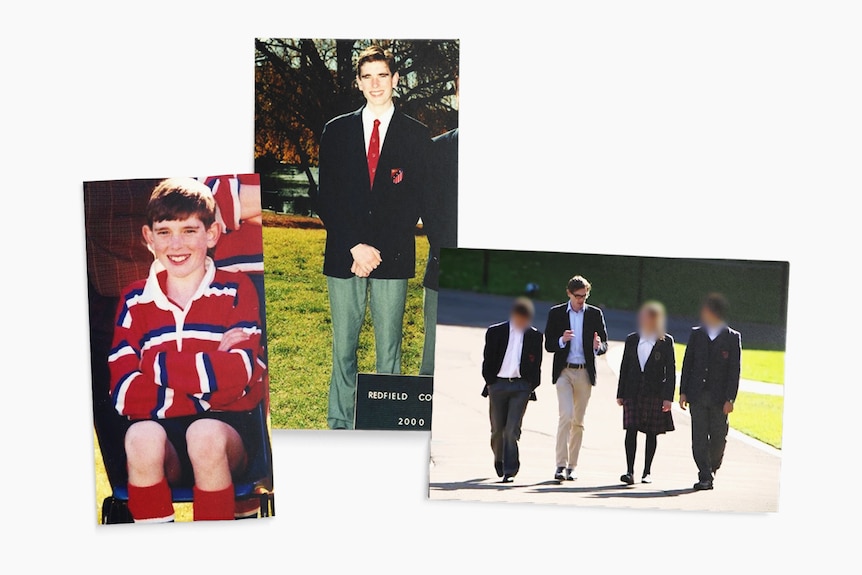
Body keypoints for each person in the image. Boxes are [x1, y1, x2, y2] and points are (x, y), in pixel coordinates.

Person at [108, 178, 267, 521]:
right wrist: (210, 380)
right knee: (139, 435)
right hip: (165, 443)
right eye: (164, 232)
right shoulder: (135, 300)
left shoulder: (236, 289)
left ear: (211, 234)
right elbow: (122, 393)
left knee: (204, 433)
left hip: (227, 435)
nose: (176, 244)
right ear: (148, 237)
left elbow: (242, 374)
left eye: (189, 230)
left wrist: (154, 364)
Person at [311, 45, 433, 429]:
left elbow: (414, 200)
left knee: (388, 350)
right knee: (343, 346)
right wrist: (354, 246)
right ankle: (341, 422)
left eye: (383, 75)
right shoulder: (337, 130)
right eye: (368, 76)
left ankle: (384, 423)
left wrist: (374, 248)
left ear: (395, 80)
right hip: (344, 254)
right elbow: (326, 196)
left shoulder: (416, 135)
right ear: (358, 82)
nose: (376, 83)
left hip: (391, 255)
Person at [544, 275, 608, 481]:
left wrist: (598, 347)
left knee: (578, 421)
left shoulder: (595, 314)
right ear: (569, 293)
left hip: (584, 373)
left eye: (585, 295)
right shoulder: (556, 313)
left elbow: (604, 343)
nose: (582, 299)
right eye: (578, 296)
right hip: (564, 371)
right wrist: (561, 340)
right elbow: (548, 345)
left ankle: (572, 466)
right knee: (566, 416)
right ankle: (560, 465)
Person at [679, 293, 741, 491]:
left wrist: (730, 398)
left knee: (718, 438)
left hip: (719, 398)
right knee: (698, 437)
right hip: (697, 395)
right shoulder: (696, 334)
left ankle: (712, 467)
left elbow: (734, 371)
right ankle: (704, 475)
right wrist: (683, 392)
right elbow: (687, 363)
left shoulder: (732, 337)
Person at [419, 71, 459, 376]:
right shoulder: (437, 150)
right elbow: (430, 213)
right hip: (441, 271)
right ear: (457, 96)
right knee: (432, 368)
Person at [481, 298, 543, 482]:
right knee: (497, 430)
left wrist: (530, 385)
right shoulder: (495, 332)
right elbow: (488, 360)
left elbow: (536, 364)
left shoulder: (535, 336)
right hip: (498, 384)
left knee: (511, 429)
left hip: (521, 387)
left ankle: (510, 469)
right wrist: (490, 382)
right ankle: (499, 458)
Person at [615, 302, 676, 485]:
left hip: (654, 392)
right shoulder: (632, 339)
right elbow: (624, 366)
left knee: (651, 432)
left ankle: (646, 472)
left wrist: (668, 398)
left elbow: (671, 371)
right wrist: (620, 393)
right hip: (633, 391)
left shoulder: (665, 341)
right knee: (631, 429)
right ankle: (629, 471)